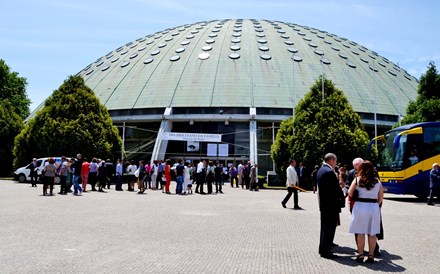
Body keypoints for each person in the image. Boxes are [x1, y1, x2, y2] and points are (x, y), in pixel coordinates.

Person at [348, 160, 383, 263]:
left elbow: (350, 193)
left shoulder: (357, 180)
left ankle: (360, 254)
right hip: (373, 206)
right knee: (372, 232)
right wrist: (375, 204)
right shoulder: (377, 181)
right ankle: (371, 255)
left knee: (360, 231)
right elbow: (381, 197)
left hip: (360, 206)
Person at [316, 153, 344, 259]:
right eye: (335, 161)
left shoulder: (321, 170)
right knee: (329, 229)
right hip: (331, 205)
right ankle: (326, 251)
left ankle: (322, 248)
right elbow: (335, 190)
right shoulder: (329, 172)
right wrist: (342, 197)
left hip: (324, 204)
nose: (336, 163)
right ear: (331, 160)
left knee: (324, 228)